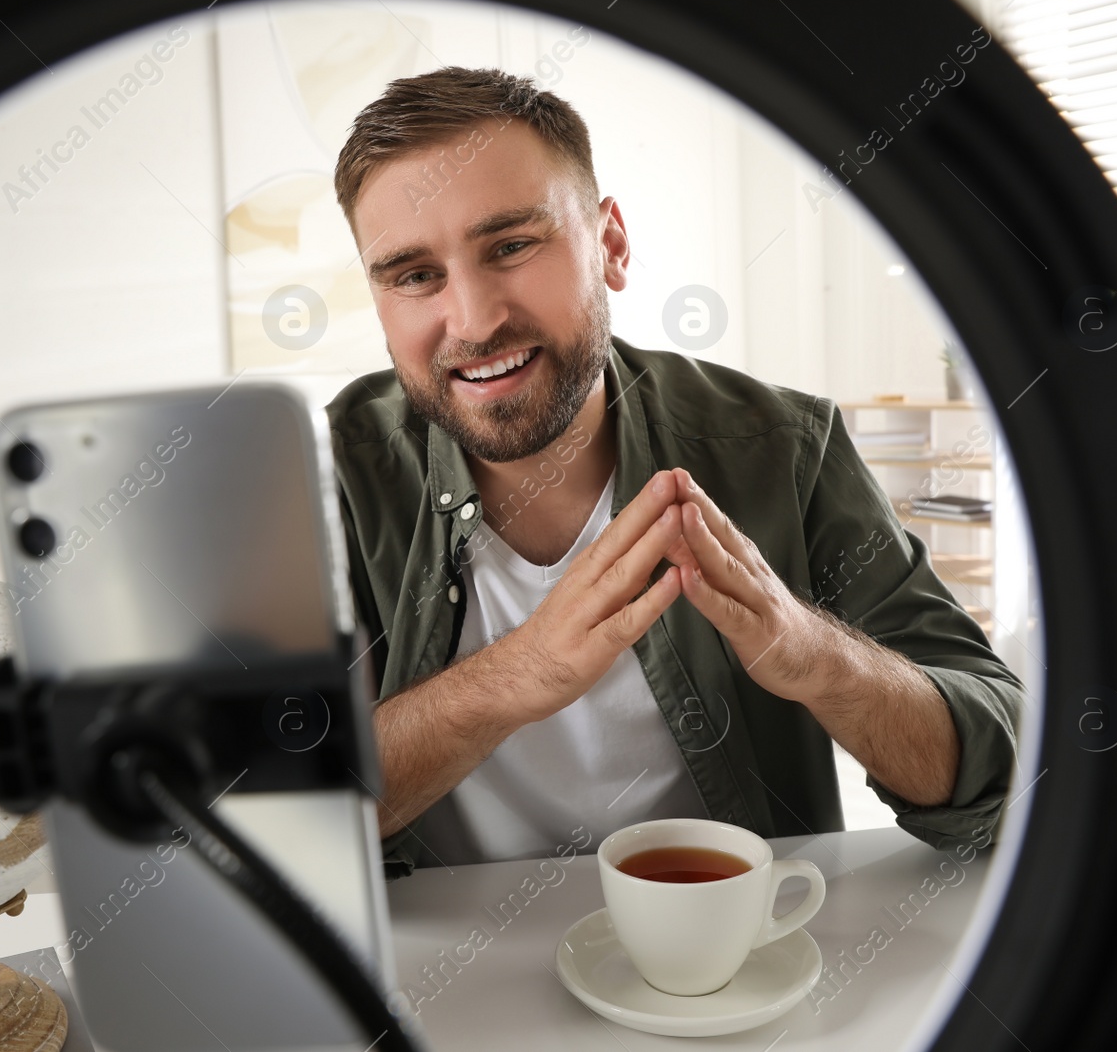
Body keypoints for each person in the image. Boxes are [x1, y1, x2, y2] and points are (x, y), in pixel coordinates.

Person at [325, 66, 1023, 878]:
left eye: (512, 245)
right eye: (415, 276)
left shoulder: (784, 445)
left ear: (610, 244)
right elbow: (264, 814)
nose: (475, 320)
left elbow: (1008, 774)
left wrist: (812, 654)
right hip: (437, 977)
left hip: (730, 970)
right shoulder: (329, 475)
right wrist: (522, 672)